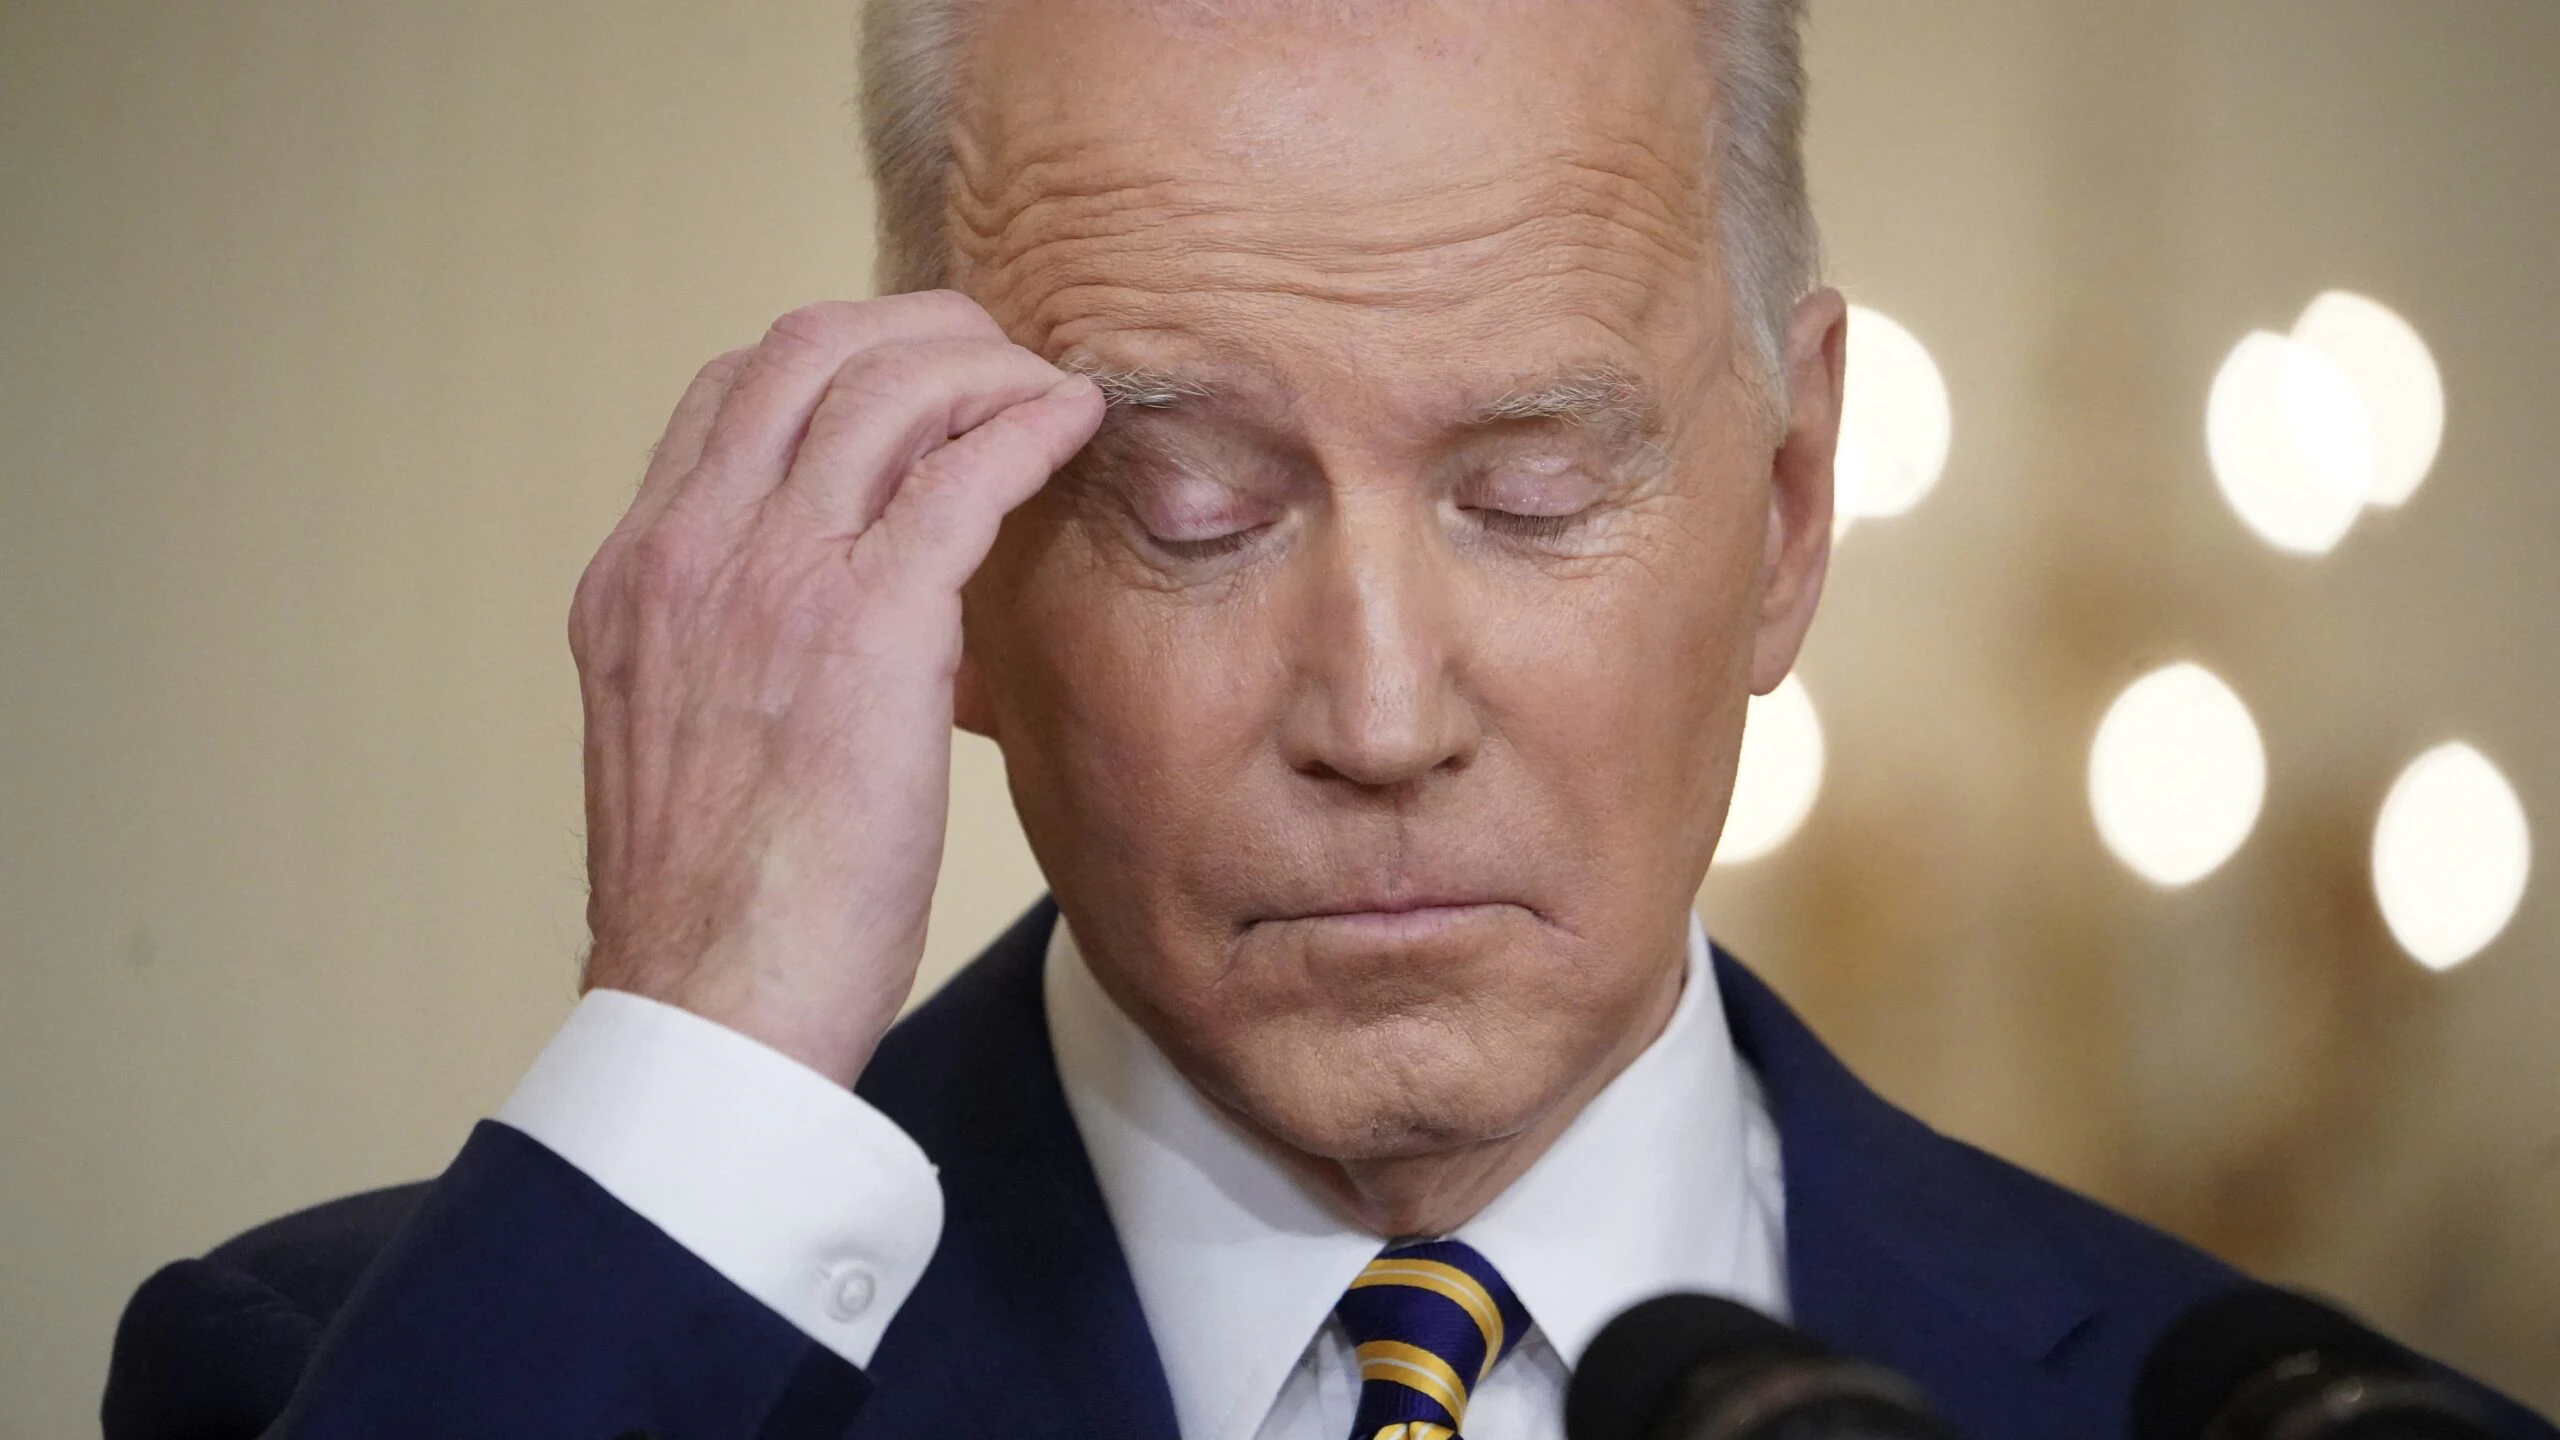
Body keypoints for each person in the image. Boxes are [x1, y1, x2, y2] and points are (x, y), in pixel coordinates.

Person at [100, 1, 2553, 1438]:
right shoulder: (349, 1370)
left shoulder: (2248, 1412)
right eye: (1184, 506)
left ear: (1788, 505)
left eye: (1531, 489)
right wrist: (702, 1043)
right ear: (944, 548)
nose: (1378, 718)